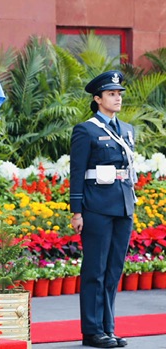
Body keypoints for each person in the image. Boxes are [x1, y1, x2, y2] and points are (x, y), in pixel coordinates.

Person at [70, 70, 135, 348]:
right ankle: (92, 331)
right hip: (96, 207)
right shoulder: (86, 130)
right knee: (95, 269)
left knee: (113, 269)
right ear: (97, 99)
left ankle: (108, 327)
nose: (117, 98)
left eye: (119, 94)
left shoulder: (127, 130)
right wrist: (76, 210)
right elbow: (77, 171)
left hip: (122, 205)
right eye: (111, 94)